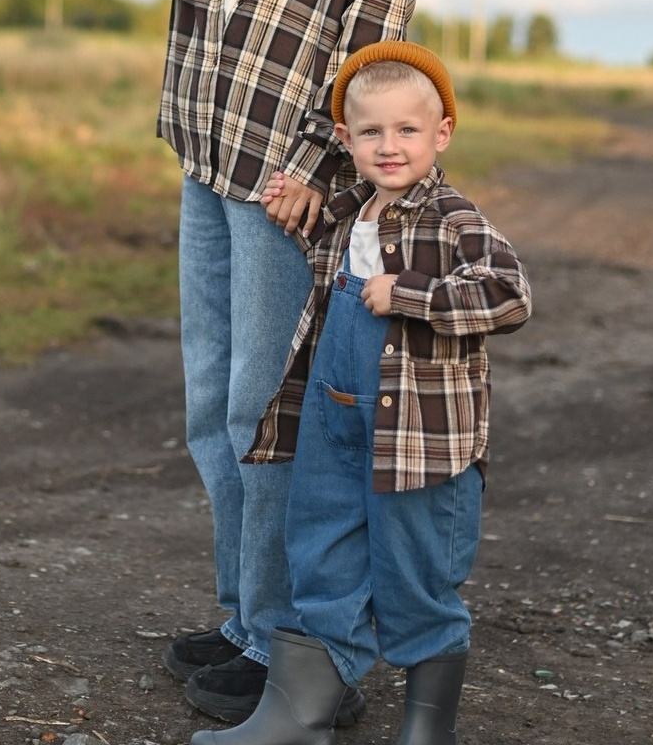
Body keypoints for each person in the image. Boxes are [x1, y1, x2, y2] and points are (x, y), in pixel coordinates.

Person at [110, 0, 419, 724]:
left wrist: (324, 165)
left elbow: (377, 34)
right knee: (210, 409)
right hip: (205, 151)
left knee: (264, 412)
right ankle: (245, 616)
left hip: (285, 177)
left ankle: (292, 644)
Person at [189, 41, 530, 745]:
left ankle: (426, 729)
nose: (390, 145)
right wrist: (292, 204)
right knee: (321, 549)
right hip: (334, 422)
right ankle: (297, 714)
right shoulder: (351, 212)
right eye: (371, 131)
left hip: (419, 440)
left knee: (415, 569)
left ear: (442, 134)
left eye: (408, 130)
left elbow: (509, 295)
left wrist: (409, 293)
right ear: (345, 140)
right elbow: (320, 257)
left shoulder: (454, 219)